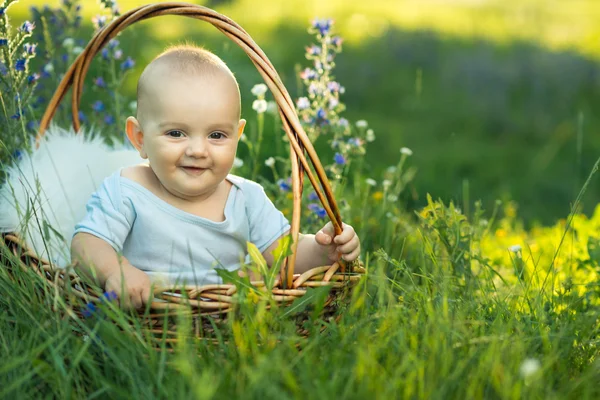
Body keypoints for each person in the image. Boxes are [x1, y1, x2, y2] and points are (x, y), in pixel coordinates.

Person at [70, 45, 360, 310]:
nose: (198, 150)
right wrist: (116, 272)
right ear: (140, 138)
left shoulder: (247, 198)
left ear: (238, 136)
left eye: (217, 135)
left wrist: (325, 250)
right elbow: (86, 244)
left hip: (230, 325)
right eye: (176, 133)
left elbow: (285, 256)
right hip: (147, 318)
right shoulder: (127, 190)